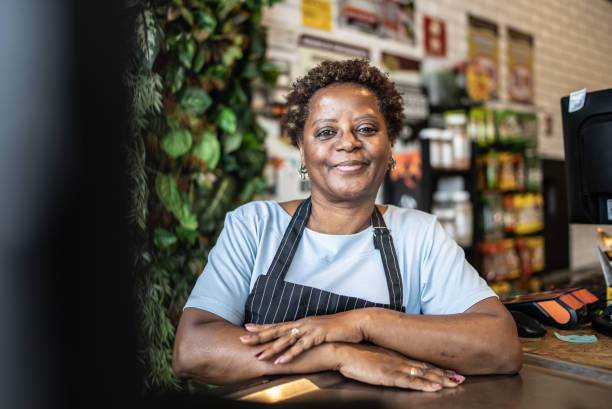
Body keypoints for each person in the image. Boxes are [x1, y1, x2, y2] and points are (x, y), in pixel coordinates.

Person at [172, 59, 522, 392]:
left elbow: (500, 347)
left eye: (366, 129)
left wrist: (362, 323)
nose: (348, 143)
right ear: (303, 151)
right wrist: (338, 354)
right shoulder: (254, 226)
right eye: (326, 132)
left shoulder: (420, 235)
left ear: (390, 146)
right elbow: (193, 351)